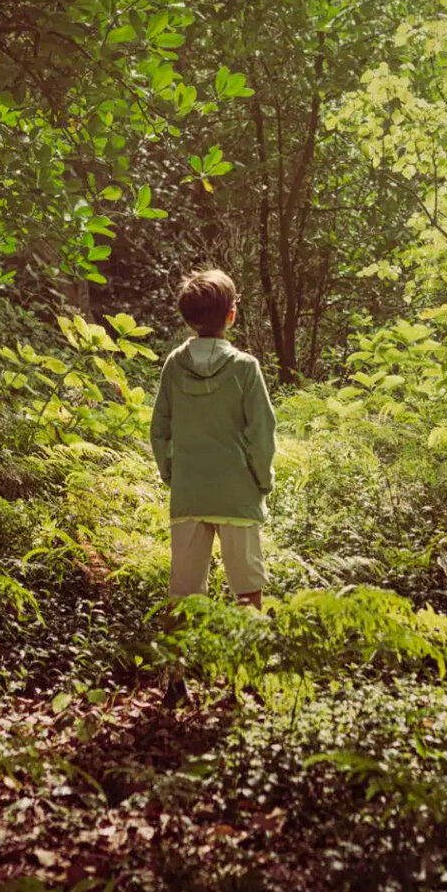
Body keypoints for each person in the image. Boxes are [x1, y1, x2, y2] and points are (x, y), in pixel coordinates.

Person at [150, 268, 277, 630]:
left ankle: (177, 676)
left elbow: (159, 429)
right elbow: (262, 434)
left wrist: (173, 475)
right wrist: (261, 480)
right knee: (248, 591)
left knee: (184, 595)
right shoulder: (245, 368)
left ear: (188, 318)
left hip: (189, 494)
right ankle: (244, 678)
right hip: (238, 494)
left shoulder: (175, 364)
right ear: (231, 314)